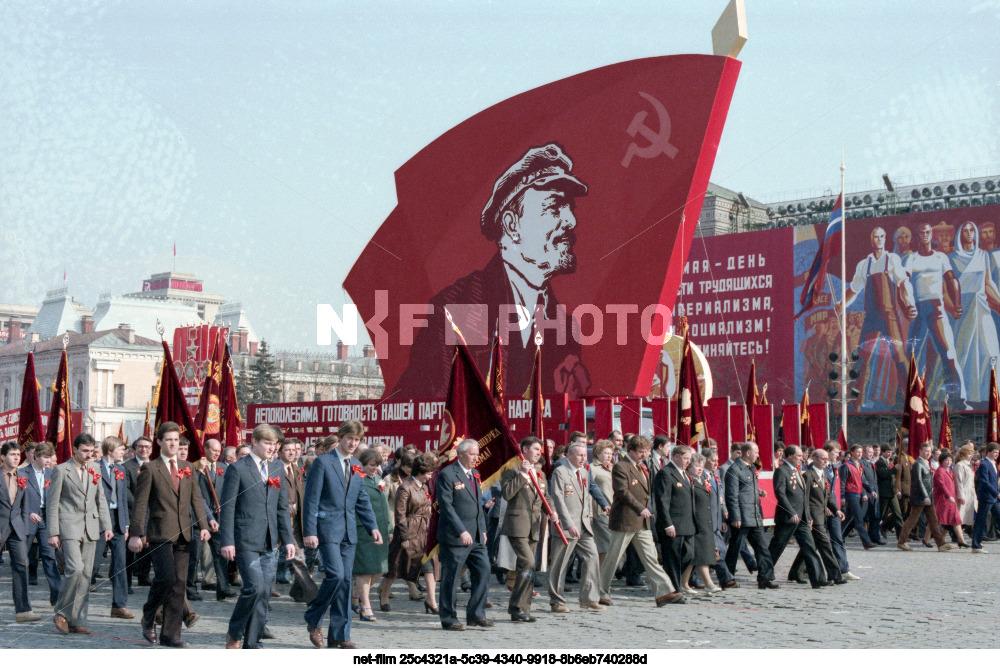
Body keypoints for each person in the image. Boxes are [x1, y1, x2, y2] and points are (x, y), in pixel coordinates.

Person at [392, 143, 591, 399]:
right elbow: (426, 406)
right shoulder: (457, 306)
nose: (571, 221)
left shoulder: (565, 326)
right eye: (554, 207)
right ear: (512, 224)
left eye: (570, 208)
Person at [129, 422, 211, 647]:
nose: (173, 444)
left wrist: (203, 525)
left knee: (179, 585)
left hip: (184, 533)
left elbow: (197, 499)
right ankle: (149, 614)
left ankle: (171, 635)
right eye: (168, 440)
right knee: (166, 578)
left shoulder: (188, 467)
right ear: (159, 442)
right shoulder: (150, 468)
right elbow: (140, 503)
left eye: (176, 440)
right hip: (159, 533)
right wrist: (136, 533)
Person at [302, 420, 382, 650]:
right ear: (341, 437)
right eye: (349, 438)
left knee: (346, 583)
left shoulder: (357, 465)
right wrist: (310, 531)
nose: (352, 443)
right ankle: (313, 618)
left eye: (356, 440)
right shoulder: (322, 463)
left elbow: (362, 499)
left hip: (349, 532)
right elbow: (311, 499)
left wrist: (372, 527)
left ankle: (339, 634)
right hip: (327, 529)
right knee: (335, 576)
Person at [219, 424, 295, 649]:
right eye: (267, 443)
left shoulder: (277, 468)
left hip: (270, 539)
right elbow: (228, 507)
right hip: (245, 538)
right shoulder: (238, 468)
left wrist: (288, 539)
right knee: (254, 587)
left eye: (274, 444)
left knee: (264, 593)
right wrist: (227, 541)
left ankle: (252, 642)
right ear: (254, 442)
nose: (272, 448)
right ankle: (234, 632)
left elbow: (281, 508)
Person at [597, 435, 684, 607]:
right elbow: (622, 491)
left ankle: (664, 592)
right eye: (640, 452)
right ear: (630, 450)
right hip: (625, 520)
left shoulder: (642, 466)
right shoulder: (621, 466)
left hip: (642, 522)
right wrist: (640, 508)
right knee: (613, 558)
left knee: (651, 557)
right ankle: (599, 592)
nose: (643, 455)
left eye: (645, 452)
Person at [836, 226, 916, 409]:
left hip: (889, 316)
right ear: (871, 240)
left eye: (881, 236)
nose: (879, 239)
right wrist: (842, 305)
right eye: (875, 236)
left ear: (885, 238)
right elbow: (854, 290)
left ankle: (911, 397)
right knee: (860, 358)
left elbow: (903, 284)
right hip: (871, 317)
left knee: (899, 356)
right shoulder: (865, 264)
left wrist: (910, 303)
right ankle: (852, 403)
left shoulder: (892, 259)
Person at [47, 433, 113, 634]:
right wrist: (53, 532)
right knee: (74, 569)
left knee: (85, 575)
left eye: (92, 451)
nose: (88, 455)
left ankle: (77, 618)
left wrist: (107, 526)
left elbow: (101, 499)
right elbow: (53, 503)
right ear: (74, 449)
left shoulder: (95, 468)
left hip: (91, 527)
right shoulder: (61, 470)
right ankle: (61, 612)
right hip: (68, 526)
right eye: (84, 451)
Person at [904, 221, 966, 407]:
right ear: (918, 236)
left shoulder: (940, 258)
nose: (925, 235)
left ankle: (956, 396)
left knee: (947, 351)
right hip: (918, 309)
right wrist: (907, 305)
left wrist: (957, 305)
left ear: (932, 235)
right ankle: (912, 398)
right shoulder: (911, 259)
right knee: (911, 353)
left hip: (936, 308)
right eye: (921, 232)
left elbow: (951, 280)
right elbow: (904, 284)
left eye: (928, 232)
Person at [435, 438, 493, 631]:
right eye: (472, 454)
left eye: (477, 454)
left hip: (476, 536)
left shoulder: (475, 473)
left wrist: (482, 530)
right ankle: (449, 618)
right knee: (450, 577)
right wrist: (461, 530)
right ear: (460, 454)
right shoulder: (448, 474)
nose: (476, 457)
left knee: (484, 570)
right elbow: (447, 507)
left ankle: (476, 614)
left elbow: (478, 506)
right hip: (456, 536)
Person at [500, 437, 557, 622]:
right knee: (527, 563)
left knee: (528, 568)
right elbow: (507, 493)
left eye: (540, 449)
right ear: (524, 449)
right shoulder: (512, 469)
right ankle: (516, 607)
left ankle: (522, 608)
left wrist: (552, 511)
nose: (539, 452)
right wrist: (523, 475)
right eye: (535, 449)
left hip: (533, 527)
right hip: (517, 525)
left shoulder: (539, 472)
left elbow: (545, 497)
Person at [948, 221, 1000, 406]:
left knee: (989, 350)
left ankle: (988, 396)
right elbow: (946, 288)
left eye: (972, 230)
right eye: (965, 230)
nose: (969, 233)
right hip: (964, 310)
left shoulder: (983, 255)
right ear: (960, 235)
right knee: (964, 354)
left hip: (982, 307)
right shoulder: (951, 258)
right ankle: (967, 397)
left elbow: (988, 283)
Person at [547, 441, 602, 613]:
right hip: (566, 525)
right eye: (579, 455)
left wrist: (590, 515)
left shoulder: (584, 471)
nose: (583, 458)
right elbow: (557, 498)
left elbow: (587, 497)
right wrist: (568, 523)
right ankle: (557, 601)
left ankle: (589, 598)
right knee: (560, 564)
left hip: (584, 525)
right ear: (569, 455)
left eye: (585, 455)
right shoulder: (560, 472)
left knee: (592, 557)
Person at [383, 453, 438, 614]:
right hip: (409, 530)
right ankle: (384, 595)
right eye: (428, 473)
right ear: (420, 471)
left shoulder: (424, 487)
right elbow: (400, 514)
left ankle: (432, 600)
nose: (430, 476)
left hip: (424, 532)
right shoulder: (405, 487)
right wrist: (404, 535)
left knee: (429, 568)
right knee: (395, 567)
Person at [768, 446, 827, 589]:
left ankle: (817, 578)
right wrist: (790, 512)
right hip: (788, 517)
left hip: (802, 518)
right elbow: (780, 493)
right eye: (799, 456)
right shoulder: (782, 471)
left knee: (809, 546)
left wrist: (807, 516)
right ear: (789, 456)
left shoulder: (798, 471)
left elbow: (804, 497)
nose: (802, 458)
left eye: (802, 456)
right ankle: (765, 576)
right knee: (777, 547)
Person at [724, 441, 778, 589]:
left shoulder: (750, 468)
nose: (757, 456)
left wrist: (758, 491)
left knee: (762, 548)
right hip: (742, 516)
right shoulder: (735, 470)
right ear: (748, 453)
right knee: (734, 548)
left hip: (754, 515)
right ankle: (727, 577)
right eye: (756, 452)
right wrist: (735, 516)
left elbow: (746, 489)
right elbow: (732, 495)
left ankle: (765, 578)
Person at [788, 447, 845, 585]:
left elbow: (828, 495)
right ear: (814, 458)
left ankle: (796, 572)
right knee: (825, 545)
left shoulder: (823, 474)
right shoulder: (808, 475)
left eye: (827, 459)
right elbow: (805, 499)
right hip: (814, 517)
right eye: (823, 459)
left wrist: (836, 509)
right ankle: (835, 575)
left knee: (810, 546)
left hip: (822, 515)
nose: (826, 461)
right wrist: (808, 517)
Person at [92, 436, 133, 619]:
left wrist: (125, 524)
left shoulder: (120, 469)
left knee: (120, 563)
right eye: (120, 449)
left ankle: (119, 605)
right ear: (110, 450)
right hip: (100, 520)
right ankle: (76, 604)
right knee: (92, 563)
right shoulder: (94, 468)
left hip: (118, 520)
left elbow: (123, 498)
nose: (123, 451)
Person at [275, 438, 318, 604]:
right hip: (277, 521)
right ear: (279, 452)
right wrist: (284, 504)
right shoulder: (274, 468)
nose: (292, 452)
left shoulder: (296, 469)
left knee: (299, 558)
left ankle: (307, 593)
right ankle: (262, 596)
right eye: (288, 450)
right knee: (270, 560)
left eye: (294, 449)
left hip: (295, 523)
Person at [352, 448, 391, 623]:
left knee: (380, 569)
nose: (374, 469)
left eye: (377, 466)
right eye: (371, 465)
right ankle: (365, 606)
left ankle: (354, 593)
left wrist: (389, 529)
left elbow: (385, 505)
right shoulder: (356, 479)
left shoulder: (377, 479)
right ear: (362, 463)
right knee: (365, 570)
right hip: (363, 530)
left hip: (380, 530)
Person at [1, 441, 39, 623]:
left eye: (18, 454)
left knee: (22, 564)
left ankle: (23, 610)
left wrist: (25, 528)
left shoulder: (22, 475)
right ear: (2, 457)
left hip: (17, 527)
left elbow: (25, 505)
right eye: (12, 454)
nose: (16, 457)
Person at [378, 450, 420, 603]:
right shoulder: (390, 478)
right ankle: (408, 589)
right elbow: (383, 500)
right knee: (395, 559)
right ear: (402, 464)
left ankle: (387, 587)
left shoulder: (415, 480)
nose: (411, 470)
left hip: (411, 524)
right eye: (409, 466)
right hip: (394, 521)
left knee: (405, 557)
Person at [652, 444, 695, 592]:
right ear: (676, 457)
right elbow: (662, 501)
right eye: (685, 458)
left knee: (689, 554)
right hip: (673, 524)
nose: (688, 462)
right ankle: (673, 589)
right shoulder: (666, 473)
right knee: (672, 558)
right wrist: (667, 524)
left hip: (687, 524)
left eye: (689, 459)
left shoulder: (685, 474)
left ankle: (671, 581)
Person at [197, 438, 236, 601]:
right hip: (201, 518)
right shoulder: (197, 468)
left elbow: (228, 490)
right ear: (205, 449)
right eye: (214, 450)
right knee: (195, 555)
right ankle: (190, 589)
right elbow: (197, 495)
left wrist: (224, 506)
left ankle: (223, 588)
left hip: (219, 518)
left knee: (220, 554)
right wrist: (208, 515)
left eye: (219, 451)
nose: (217, 454)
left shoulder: (222, 468)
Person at [23, 442, 61, 606]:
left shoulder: (52, 473)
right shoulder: (22, 473)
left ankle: (57, 594)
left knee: (49, 556)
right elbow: (17, 499)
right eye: (45, 457)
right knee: (22, 558)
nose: (48, 460)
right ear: (36, 456)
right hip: (28, 518)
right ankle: (22, 597)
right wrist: (28, 512)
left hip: (46, 518)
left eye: (49, 457)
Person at [897, 442, 953, 552]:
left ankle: (941, 544)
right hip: (920, 497)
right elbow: (919, 481)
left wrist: (929, 496)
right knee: (912, 520)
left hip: (928, 497)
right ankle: (902, 542)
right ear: (920, 451)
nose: (928, 454)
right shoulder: (918, 464)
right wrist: (925, 496)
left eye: (929, 452)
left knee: (933, 520)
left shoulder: (926, 463)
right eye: (926, 451)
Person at [686, 453, 721, 593]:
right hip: (696, 522)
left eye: (701, 465)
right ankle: (708, 583)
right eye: (696, 466)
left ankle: (684, 583)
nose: (700, 468)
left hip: (706, 521)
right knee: (699, 555)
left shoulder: (701, 480)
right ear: (689, 467)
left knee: (699, 555)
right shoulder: (689, 481)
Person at [122, 436, 153, 589]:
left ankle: (144, 576)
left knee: (147, 546)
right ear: (134, 449)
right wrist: (139, 504)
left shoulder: (155, 466)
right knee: (130, 549)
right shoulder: (127, 467)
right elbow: (125, 490)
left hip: (151, 512)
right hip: (132, 512)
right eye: (140, 446)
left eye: (147, 447)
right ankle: (126, 581)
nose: (144, 449)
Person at [839, 445, 875, 549]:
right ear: (852, 453)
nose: (859, 454)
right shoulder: (846, 466)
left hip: (858, 493)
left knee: (849, 518)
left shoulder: (859, 465)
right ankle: (866, 542)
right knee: (859, 519)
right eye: (857, 452)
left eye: (860, 452)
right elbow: (842, 482)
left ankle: (838, 536)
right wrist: (842, 496)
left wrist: (870, 490)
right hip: (850, 494)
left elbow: (863, 480)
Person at [932, 450, 968, 548]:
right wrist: (949, 496)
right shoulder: (940, 471)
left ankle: (961, 540)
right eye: (946, 460)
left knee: (955, 520)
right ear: (942, 461)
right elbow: (942, 486)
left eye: (950, 460)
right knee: (937, 521)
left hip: (950, 499)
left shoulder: (948, 470)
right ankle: (928, 539)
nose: (948, 462)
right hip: (944, 500)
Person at [970, 442, 1000, 553]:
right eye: (995, 452)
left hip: (994, 498)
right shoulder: (984, 464)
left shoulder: (994, 464)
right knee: (981, 520)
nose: (997, 454)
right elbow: (984, 482)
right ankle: (976, 546)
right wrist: (996, 493)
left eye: (998, 452)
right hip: (986, 497)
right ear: (988, 452)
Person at [590, 440, 615, 567]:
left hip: (614, 511)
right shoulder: (592, 468)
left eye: (611, 453)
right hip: (600, 512)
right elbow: (589, 491)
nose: (609, 456)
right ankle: (600, 575)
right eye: (606, 453)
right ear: (598, 454)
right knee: (605, 544)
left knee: (610, 544)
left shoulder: (614, 468)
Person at [875, 444, 904, 541]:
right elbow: (884, 474)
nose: (890, 454)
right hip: (884, 493)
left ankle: (901, 537)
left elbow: (894, 478)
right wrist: (894, 469)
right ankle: (874, 534)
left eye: (891, 452)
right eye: (888, 452)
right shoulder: (879, 462)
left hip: (892, 492)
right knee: (880, 514)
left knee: (898, 514)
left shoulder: (890, 461)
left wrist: (897, 489)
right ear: (882, 452)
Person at [953, 444, 977, 530]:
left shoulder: (968, 465)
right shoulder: (960, 465)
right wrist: (961, 495)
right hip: (963, 493)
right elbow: (959, 481)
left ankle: (970, 532)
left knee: (969, 515)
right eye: (969, 454)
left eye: (971, 454)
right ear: (963, 454)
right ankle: (956, 535)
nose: (971, 456)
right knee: (960, 515)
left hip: (970, 493)